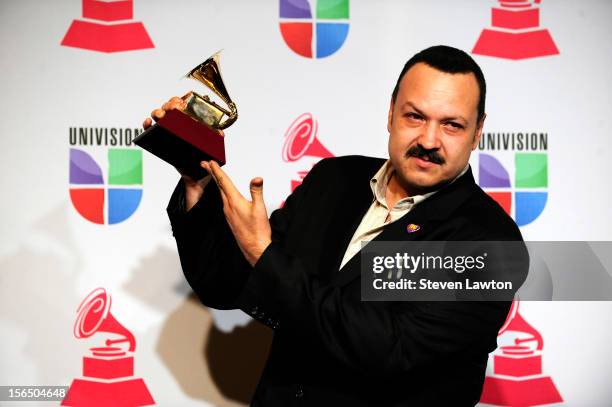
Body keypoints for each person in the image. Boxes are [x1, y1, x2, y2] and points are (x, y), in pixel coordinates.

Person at [143, 45, 527, 406]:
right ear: (391, 112)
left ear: (478, 131)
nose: (429, 139)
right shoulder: (334, 179)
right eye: (415, 116)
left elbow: (388, 348)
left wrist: (264, 253)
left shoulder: (490, 241)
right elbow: (225, 285)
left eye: (452, 125)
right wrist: (198, 178)